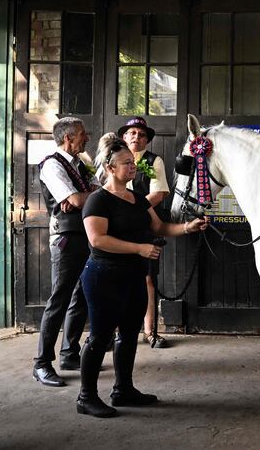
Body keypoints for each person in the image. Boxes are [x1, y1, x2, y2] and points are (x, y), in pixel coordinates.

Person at [77, 135, 207, 418]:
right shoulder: (97, 201)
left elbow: (159, 227)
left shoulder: (136, 198)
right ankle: (86, 397)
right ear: (110, 169)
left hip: (133, 275)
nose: (132, 167)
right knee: (100, 337)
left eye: (132, 163)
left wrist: (187, 227)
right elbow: (97, 240)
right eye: (126, 164)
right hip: (103, 276)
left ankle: (123, 389)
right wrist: (139, 248)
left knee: (128, 334)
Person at [33, 117, 97, 387]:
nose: (86, 138)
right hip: (65, 239)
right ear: (68, 137)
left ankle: (69, 354)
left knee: (81, 295)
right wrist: (79, 197)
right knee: (59, 298)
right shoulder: (51, 164)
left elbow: (91, 194)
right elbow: (75, 200)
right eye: (83, 134)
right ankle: (41, 364)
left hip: (85, 234)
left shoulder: (80, 165)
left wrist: (83, 197)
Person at [119, 117, 171, 348]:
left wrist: (130, 211)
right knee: (117, 279)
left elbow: (158, 194)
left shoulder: (154, 161)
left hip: (144, 228)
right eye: (132, 133)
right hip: (117, 229)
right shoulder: (113, 159)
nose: (136, 137)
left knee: (148, 279)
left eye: (141, 134)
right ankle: (117, 331)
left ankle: (149, 331)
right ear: (124, 137)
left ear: (147, 139)